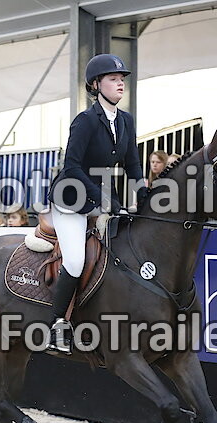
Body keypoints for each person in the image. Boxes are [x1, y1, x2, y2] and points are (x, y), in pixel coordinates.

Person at [45, 53, 143, 355]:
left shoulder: (126, 121)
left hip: (104, 199)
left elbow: (133, 164)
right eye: (113, 79)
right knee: (75, 261)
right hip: (72, 200)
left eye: (122, 79)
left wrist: (144, 195)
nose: (120, 84)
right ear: (96, 85)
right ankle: (56, 325)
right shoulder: (86, 121)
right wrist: (101, 199)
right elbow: (71, 166)